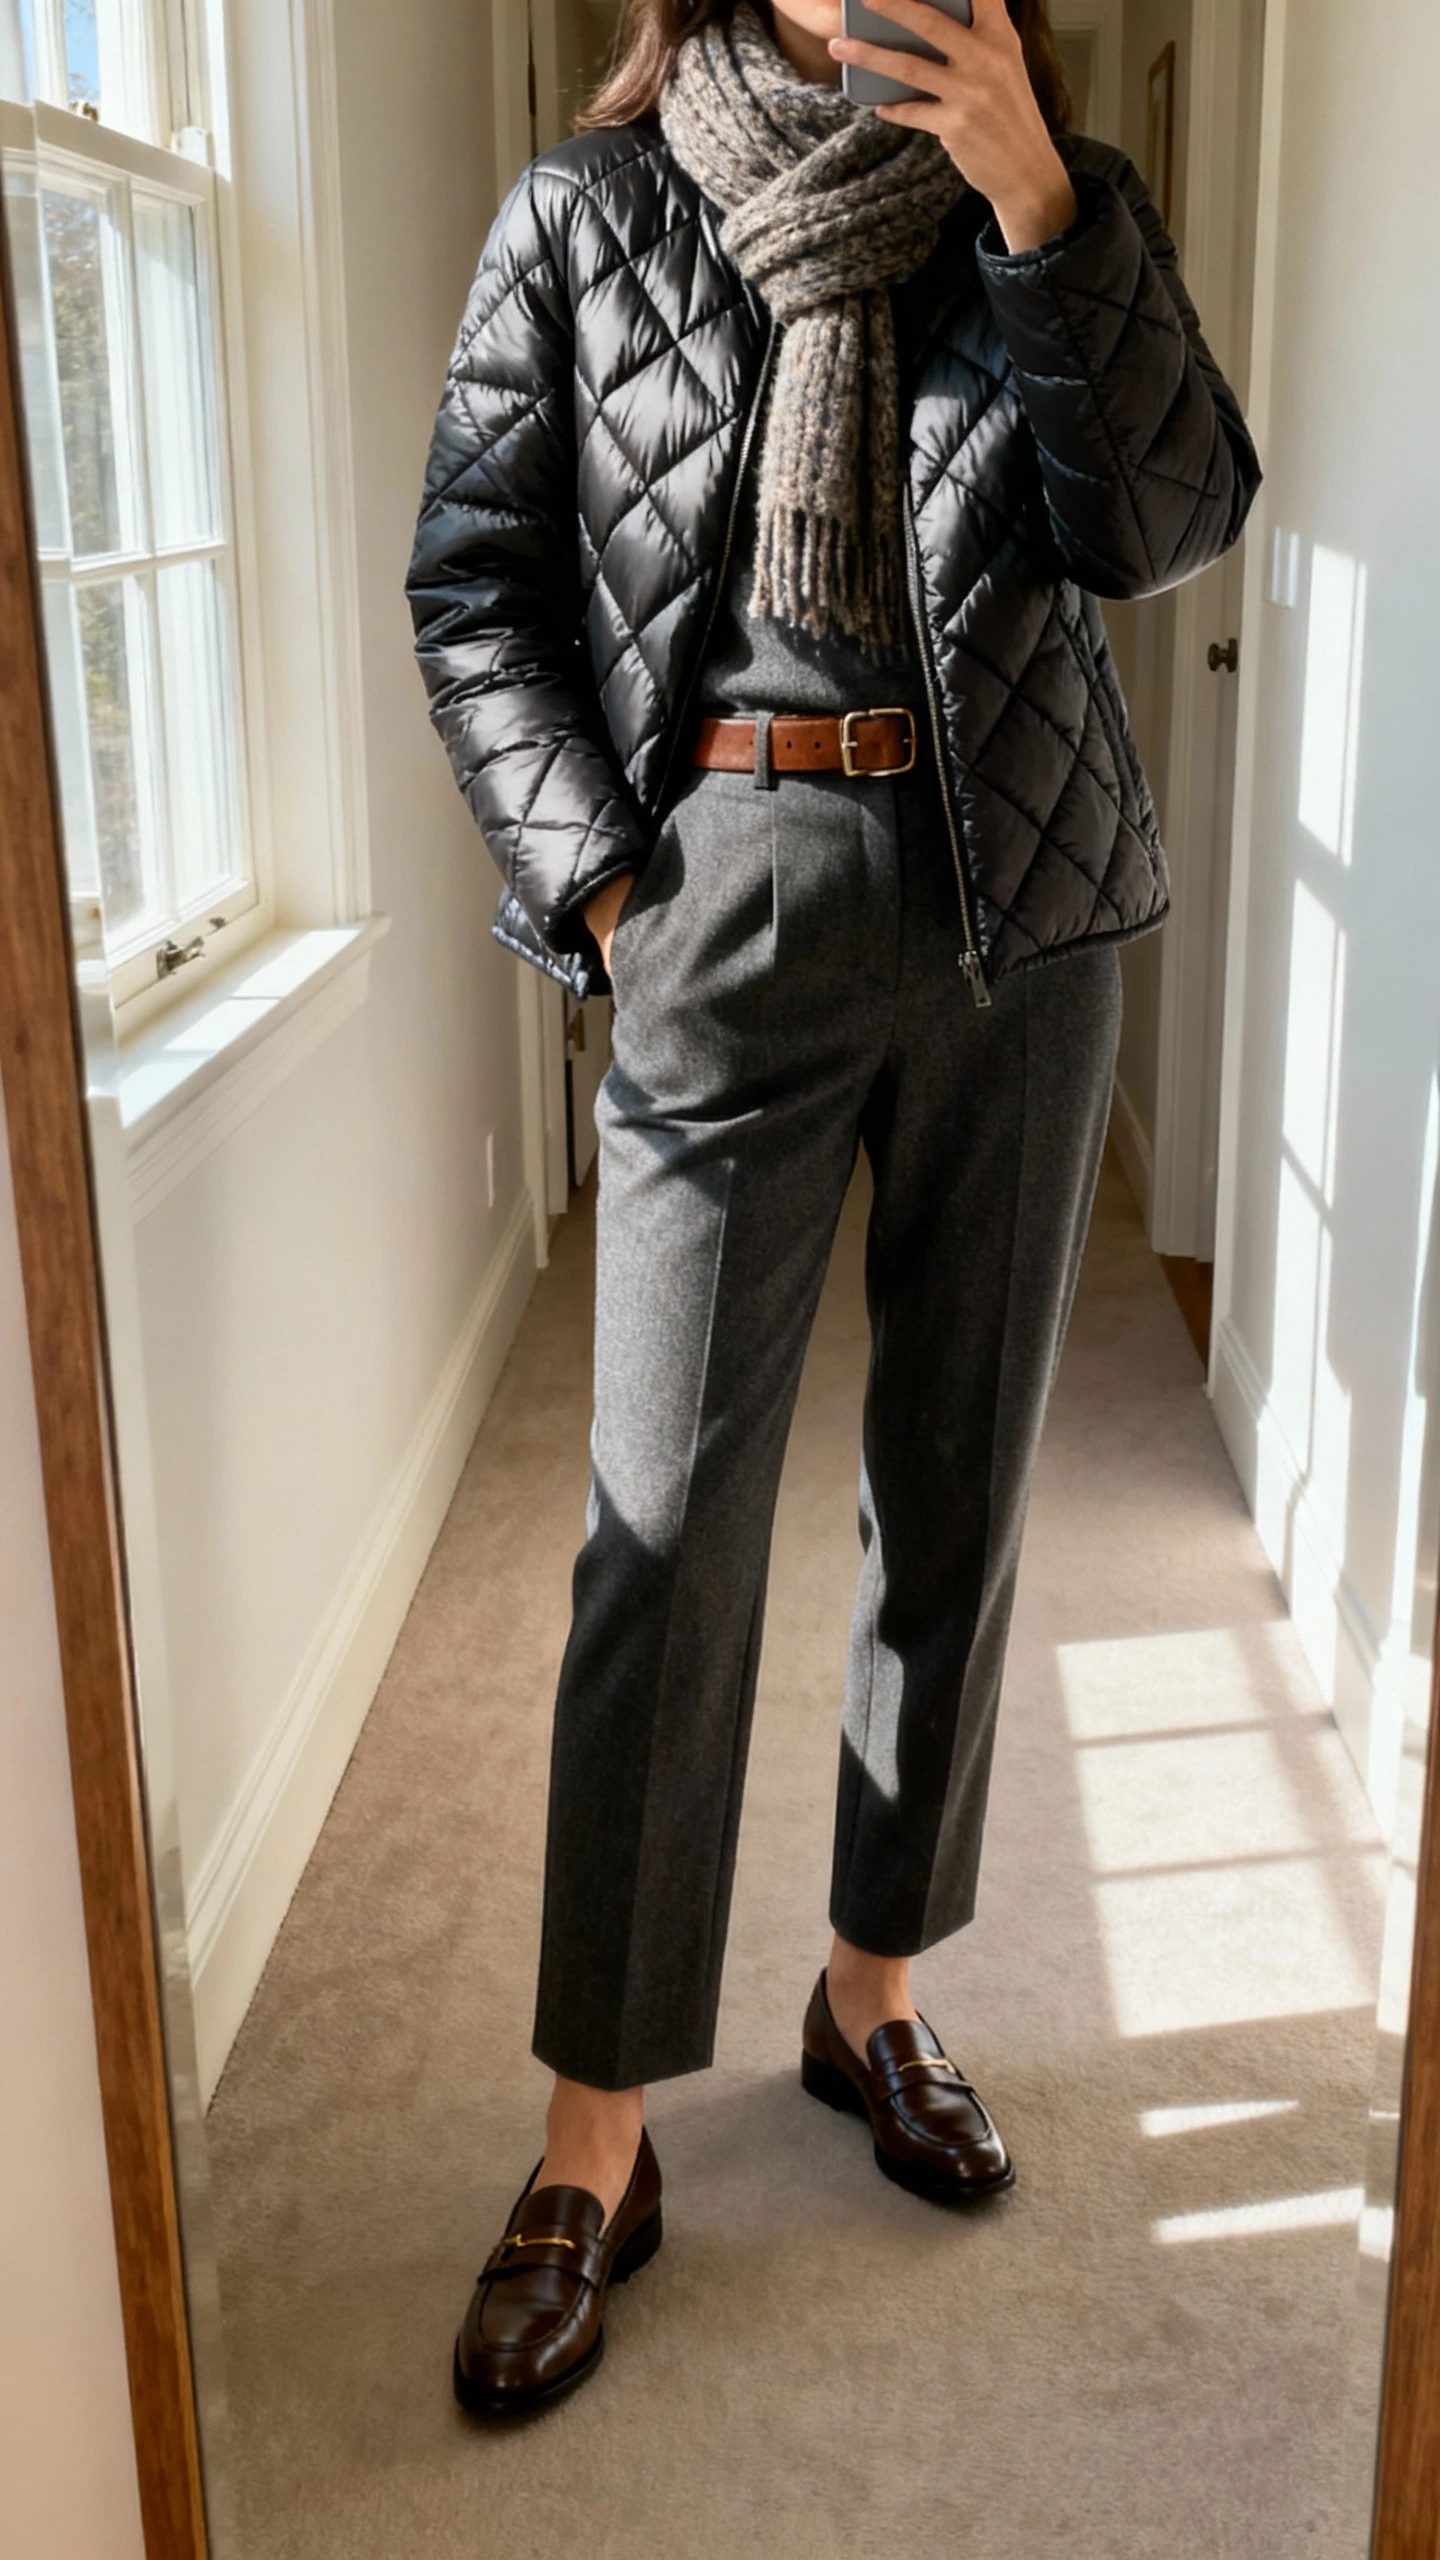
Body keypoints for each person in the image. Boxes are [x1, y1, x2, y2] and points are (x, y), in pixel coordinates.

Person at [408, 0, 1259, 2419]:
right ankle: (599, 2138)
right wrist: (601, 896)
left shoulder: (1053, 199)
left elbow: (1171, 523)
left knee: (964, 1482)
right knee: (656, 1527)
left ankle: (871, 1990)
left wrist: (1044, 215)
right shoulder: (589, 211)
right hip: (723, 890)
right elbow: (476, 583)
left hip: (1023, 910)